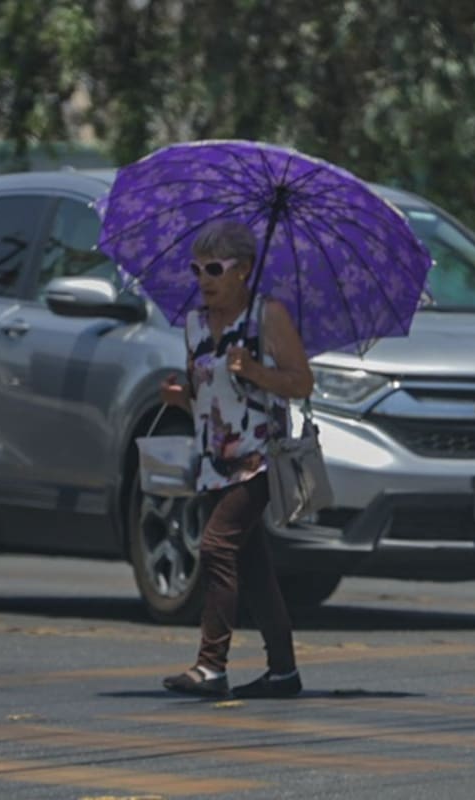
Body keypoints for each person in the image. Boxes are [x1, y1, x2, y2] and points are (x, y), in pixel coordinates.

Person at [158, 219, 315, 699]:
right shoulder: (193, 325)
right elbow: (207, 395)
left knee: (216, 548)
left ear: (243, 270)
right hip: (213, 461)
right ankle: (284, 671)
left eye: (214, 268)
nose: (203, 279)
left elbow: (301, 383)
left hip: (258, 457)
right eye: (196, 269)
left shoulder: (268, 318)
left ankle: (211, 666)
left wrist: (257, 372)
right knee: (251, 567)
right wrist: (180, 396)